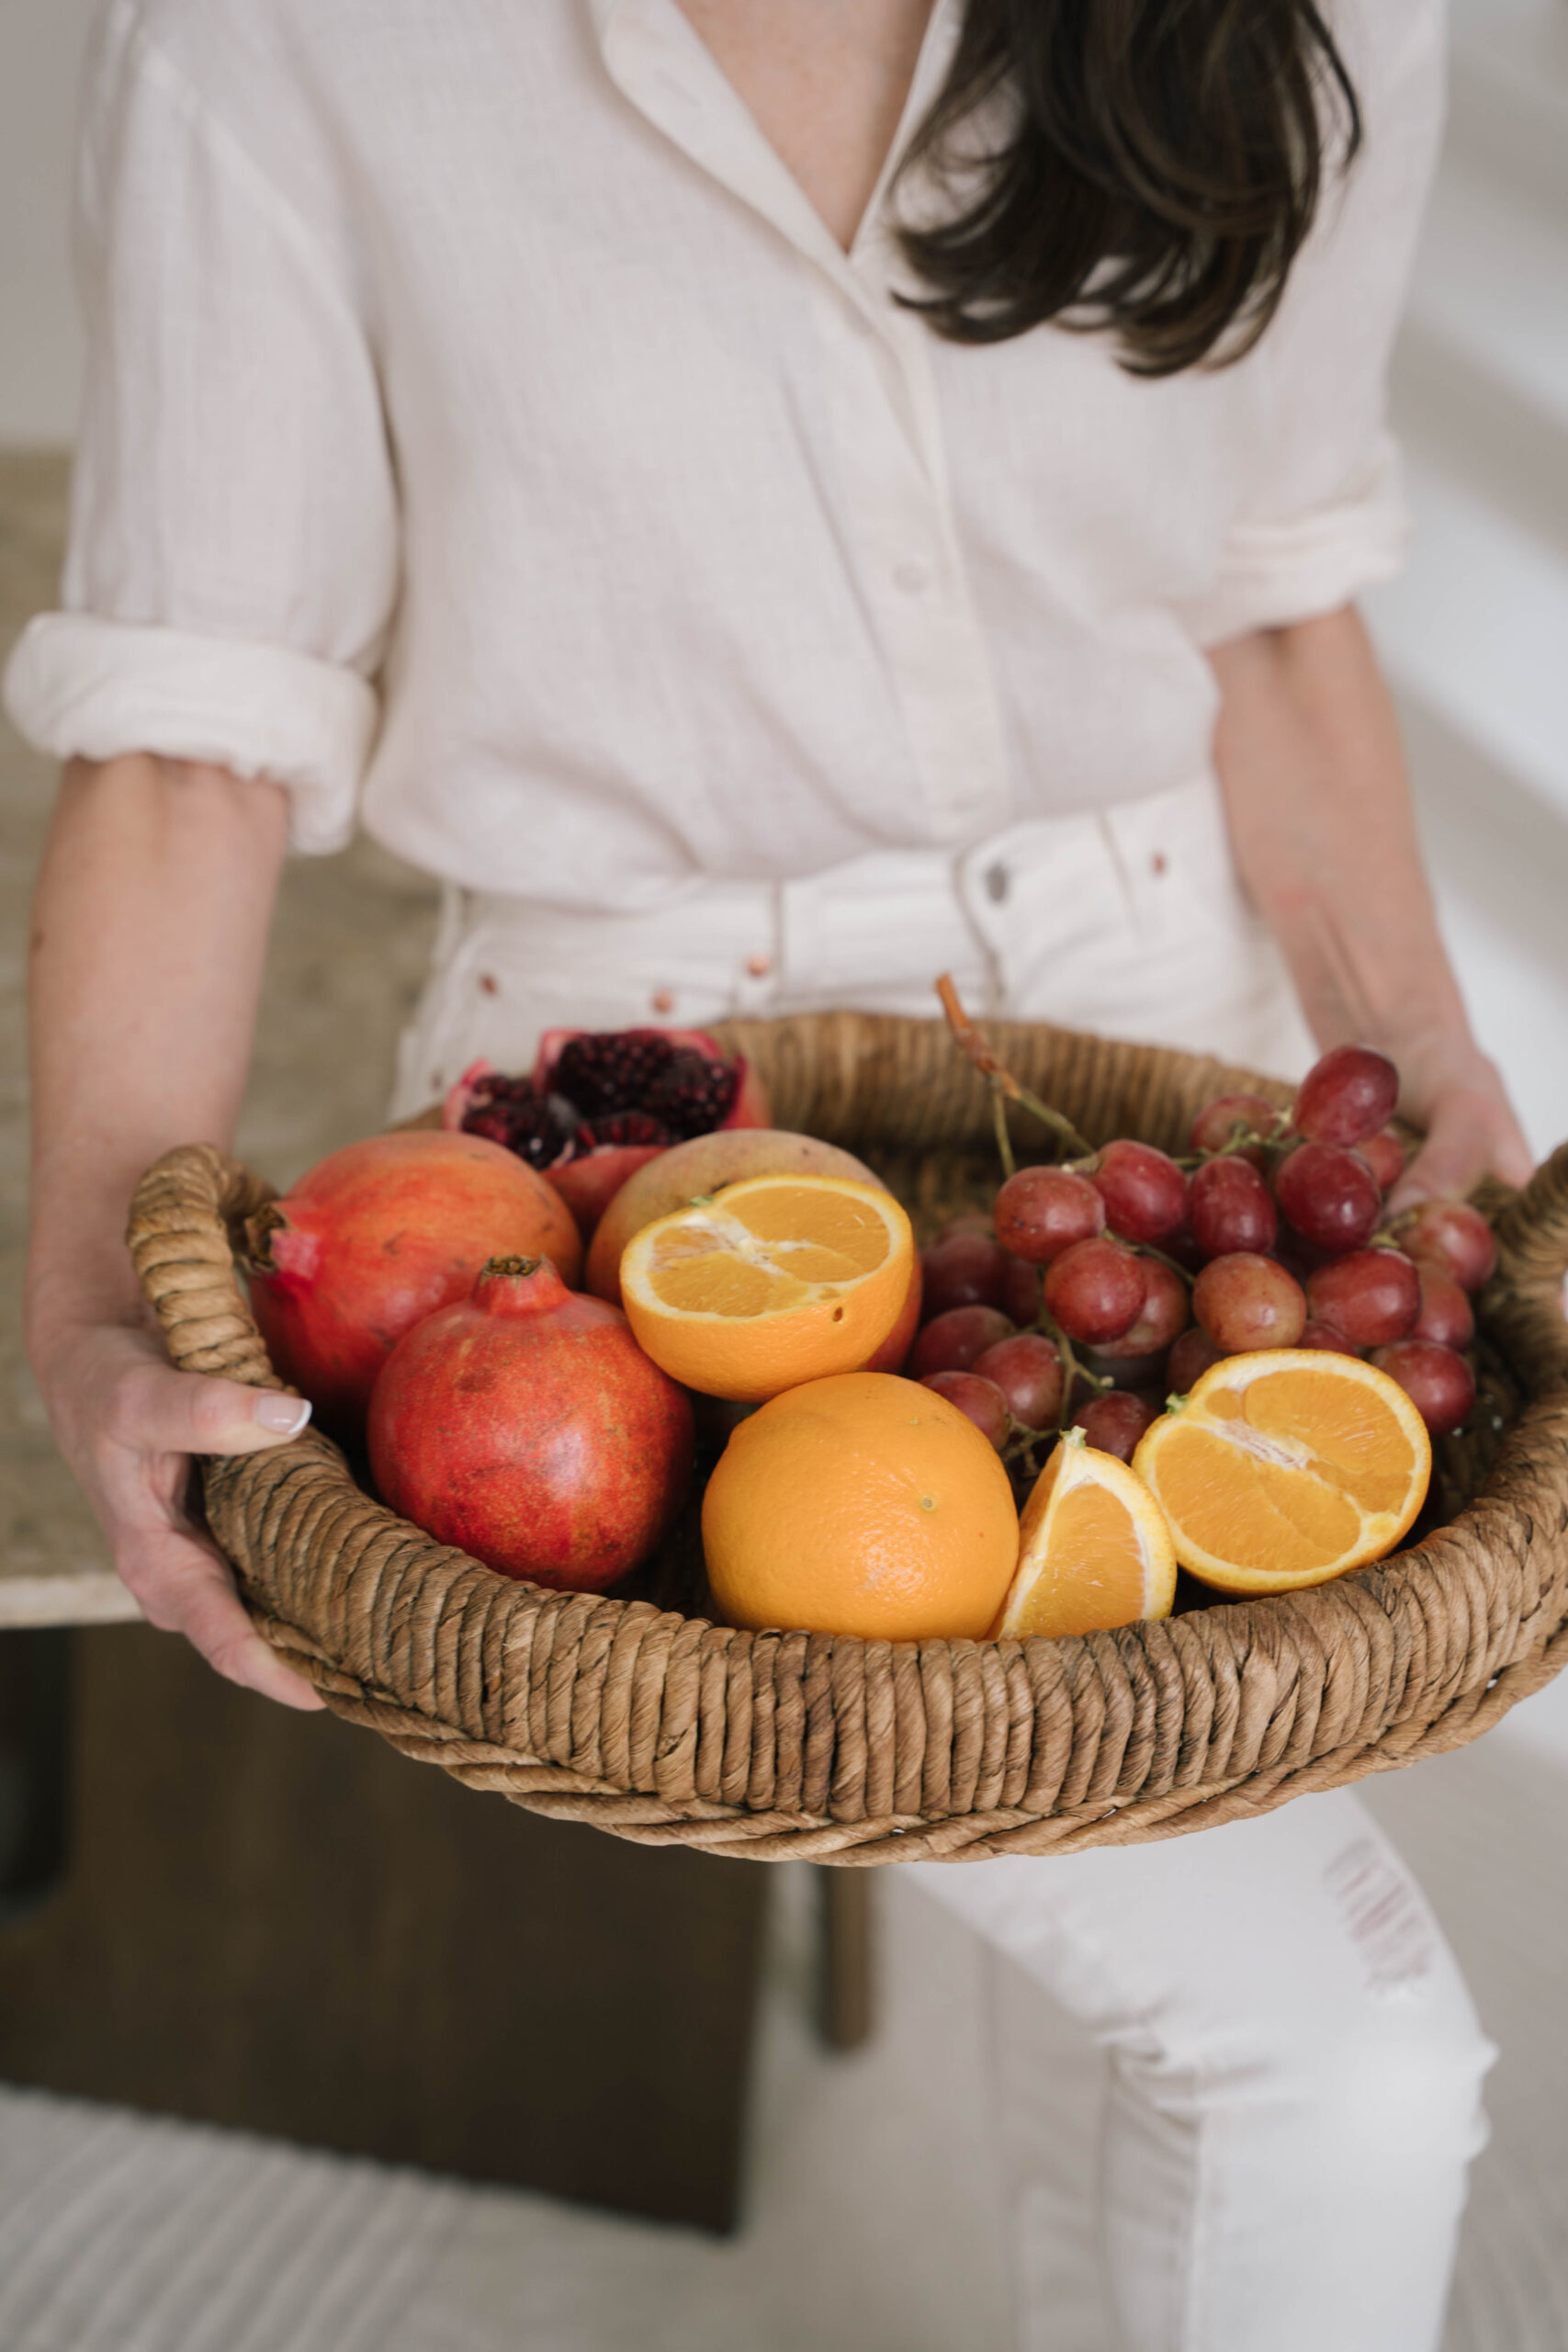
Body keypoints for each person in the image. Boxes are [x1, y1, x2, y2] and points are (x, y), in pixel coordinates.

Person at [8, 2, 1534, 2345]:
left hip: (1161, 1080)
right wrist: (85, 1311)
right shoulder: (280, 35)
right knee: (1335, 2057)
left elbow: (1266, 599)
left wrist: (1421, 1059)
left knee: (1149, 1941)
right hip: (626, 1157)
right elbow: (188, 738)